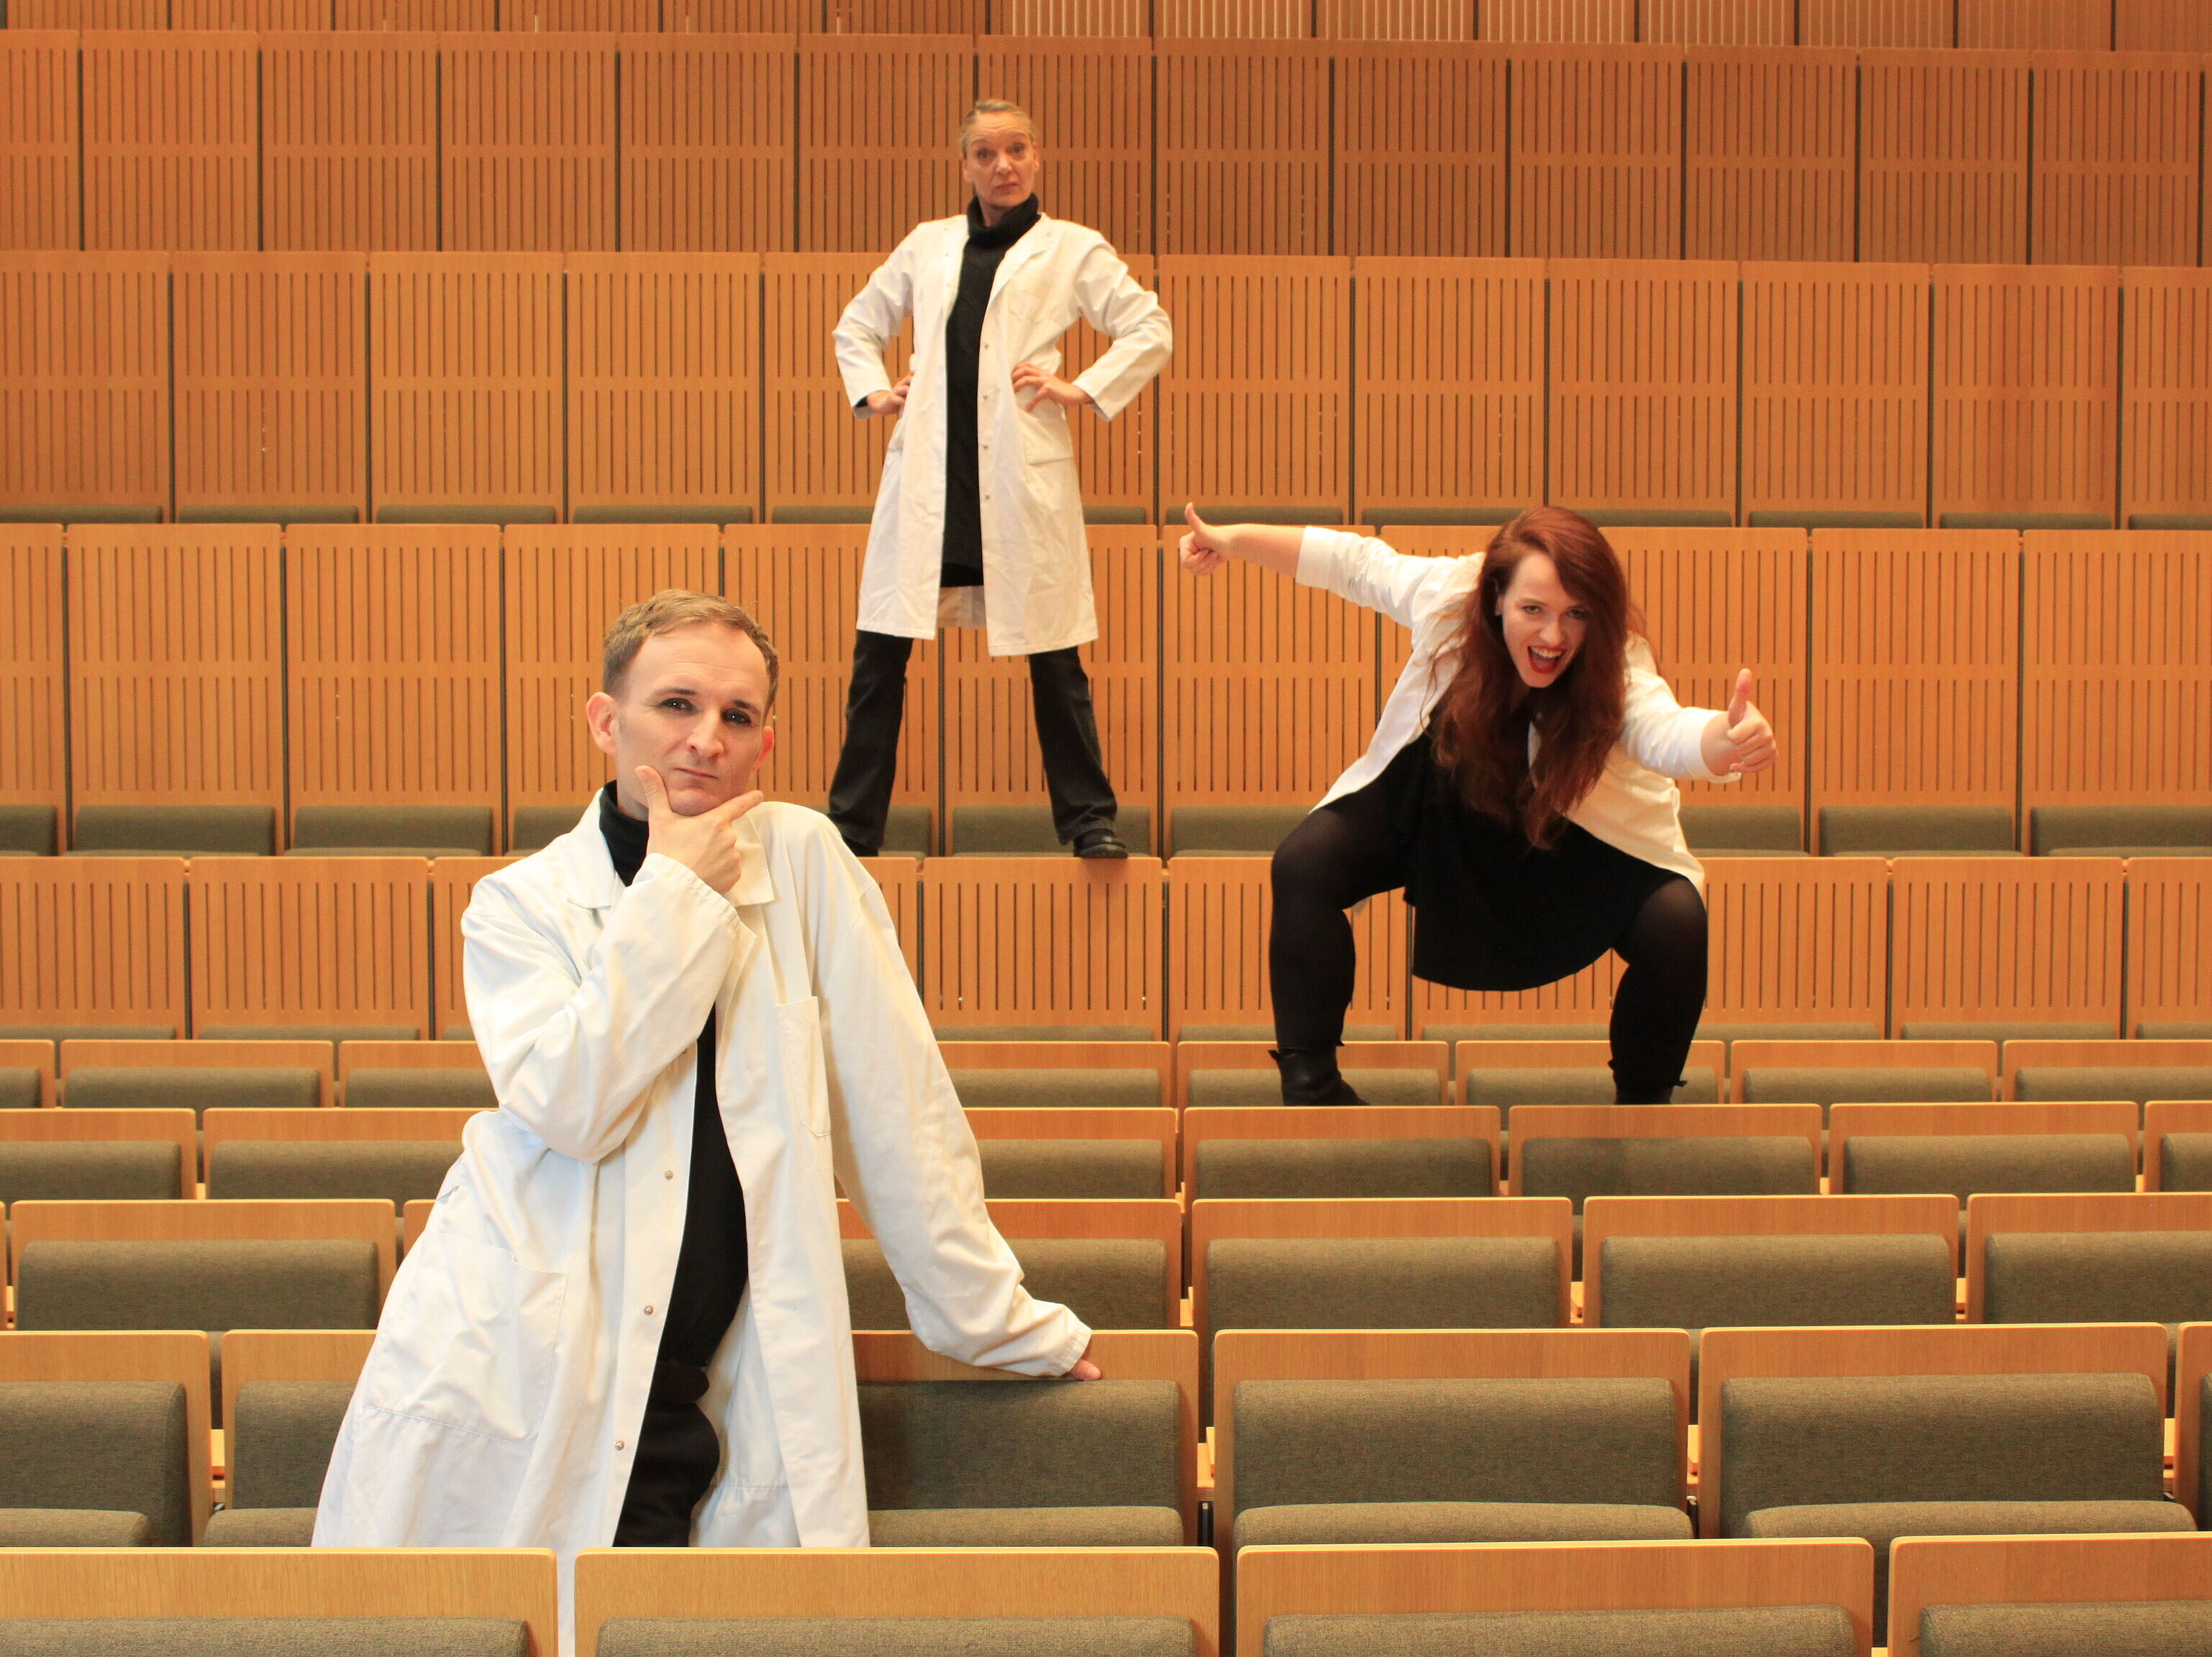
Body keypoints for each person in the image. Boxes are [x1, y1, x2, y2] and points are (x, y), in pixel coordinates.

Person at [314, 592, 1098, 1609]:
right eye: (675, 705)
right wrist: (676, 892)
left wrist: (995, 1322)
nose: (705, 739)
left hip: (711, 1376)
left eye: (737, 716)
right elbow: (572, 1107)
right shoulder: (519, 904)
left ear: (765, 743)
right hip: (518, 1355)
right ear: (607, 722)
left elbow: (898, 1115)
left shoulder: (805, 859)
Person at [1176, 506, 1778, 1106]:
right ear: (1495, 598)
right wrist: (1233, 539)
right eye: (1532, 610)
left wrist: (1721, 742)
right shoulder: (1450, 597)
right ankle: (1311, 1086)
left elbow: (1662, 729)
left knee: (1675, 923)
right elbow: (1352, 564)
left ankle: (1643, 1113)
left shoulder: (1616, 663)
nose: (1553, 637)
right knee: (1304, 864)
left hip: (1569, 832)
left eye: (1576, 614)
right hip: (1441, 804)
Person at [829, 99, 1172, 859]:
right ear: (965, 166)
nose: (1003, 166)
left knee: (1055, 659)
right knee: (879, 661)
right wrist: (873, 390)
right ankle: (852, 829)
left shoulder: (1072, 248)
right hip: (931, 480)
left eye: (1016, 149)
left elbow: (1149, 327)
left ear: (1037, 156)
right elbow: (857, 324)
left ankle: (1089, 821)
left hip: (1018, 479)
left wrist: (1084, 387)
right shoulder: (927, 244)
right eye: (985, 154)